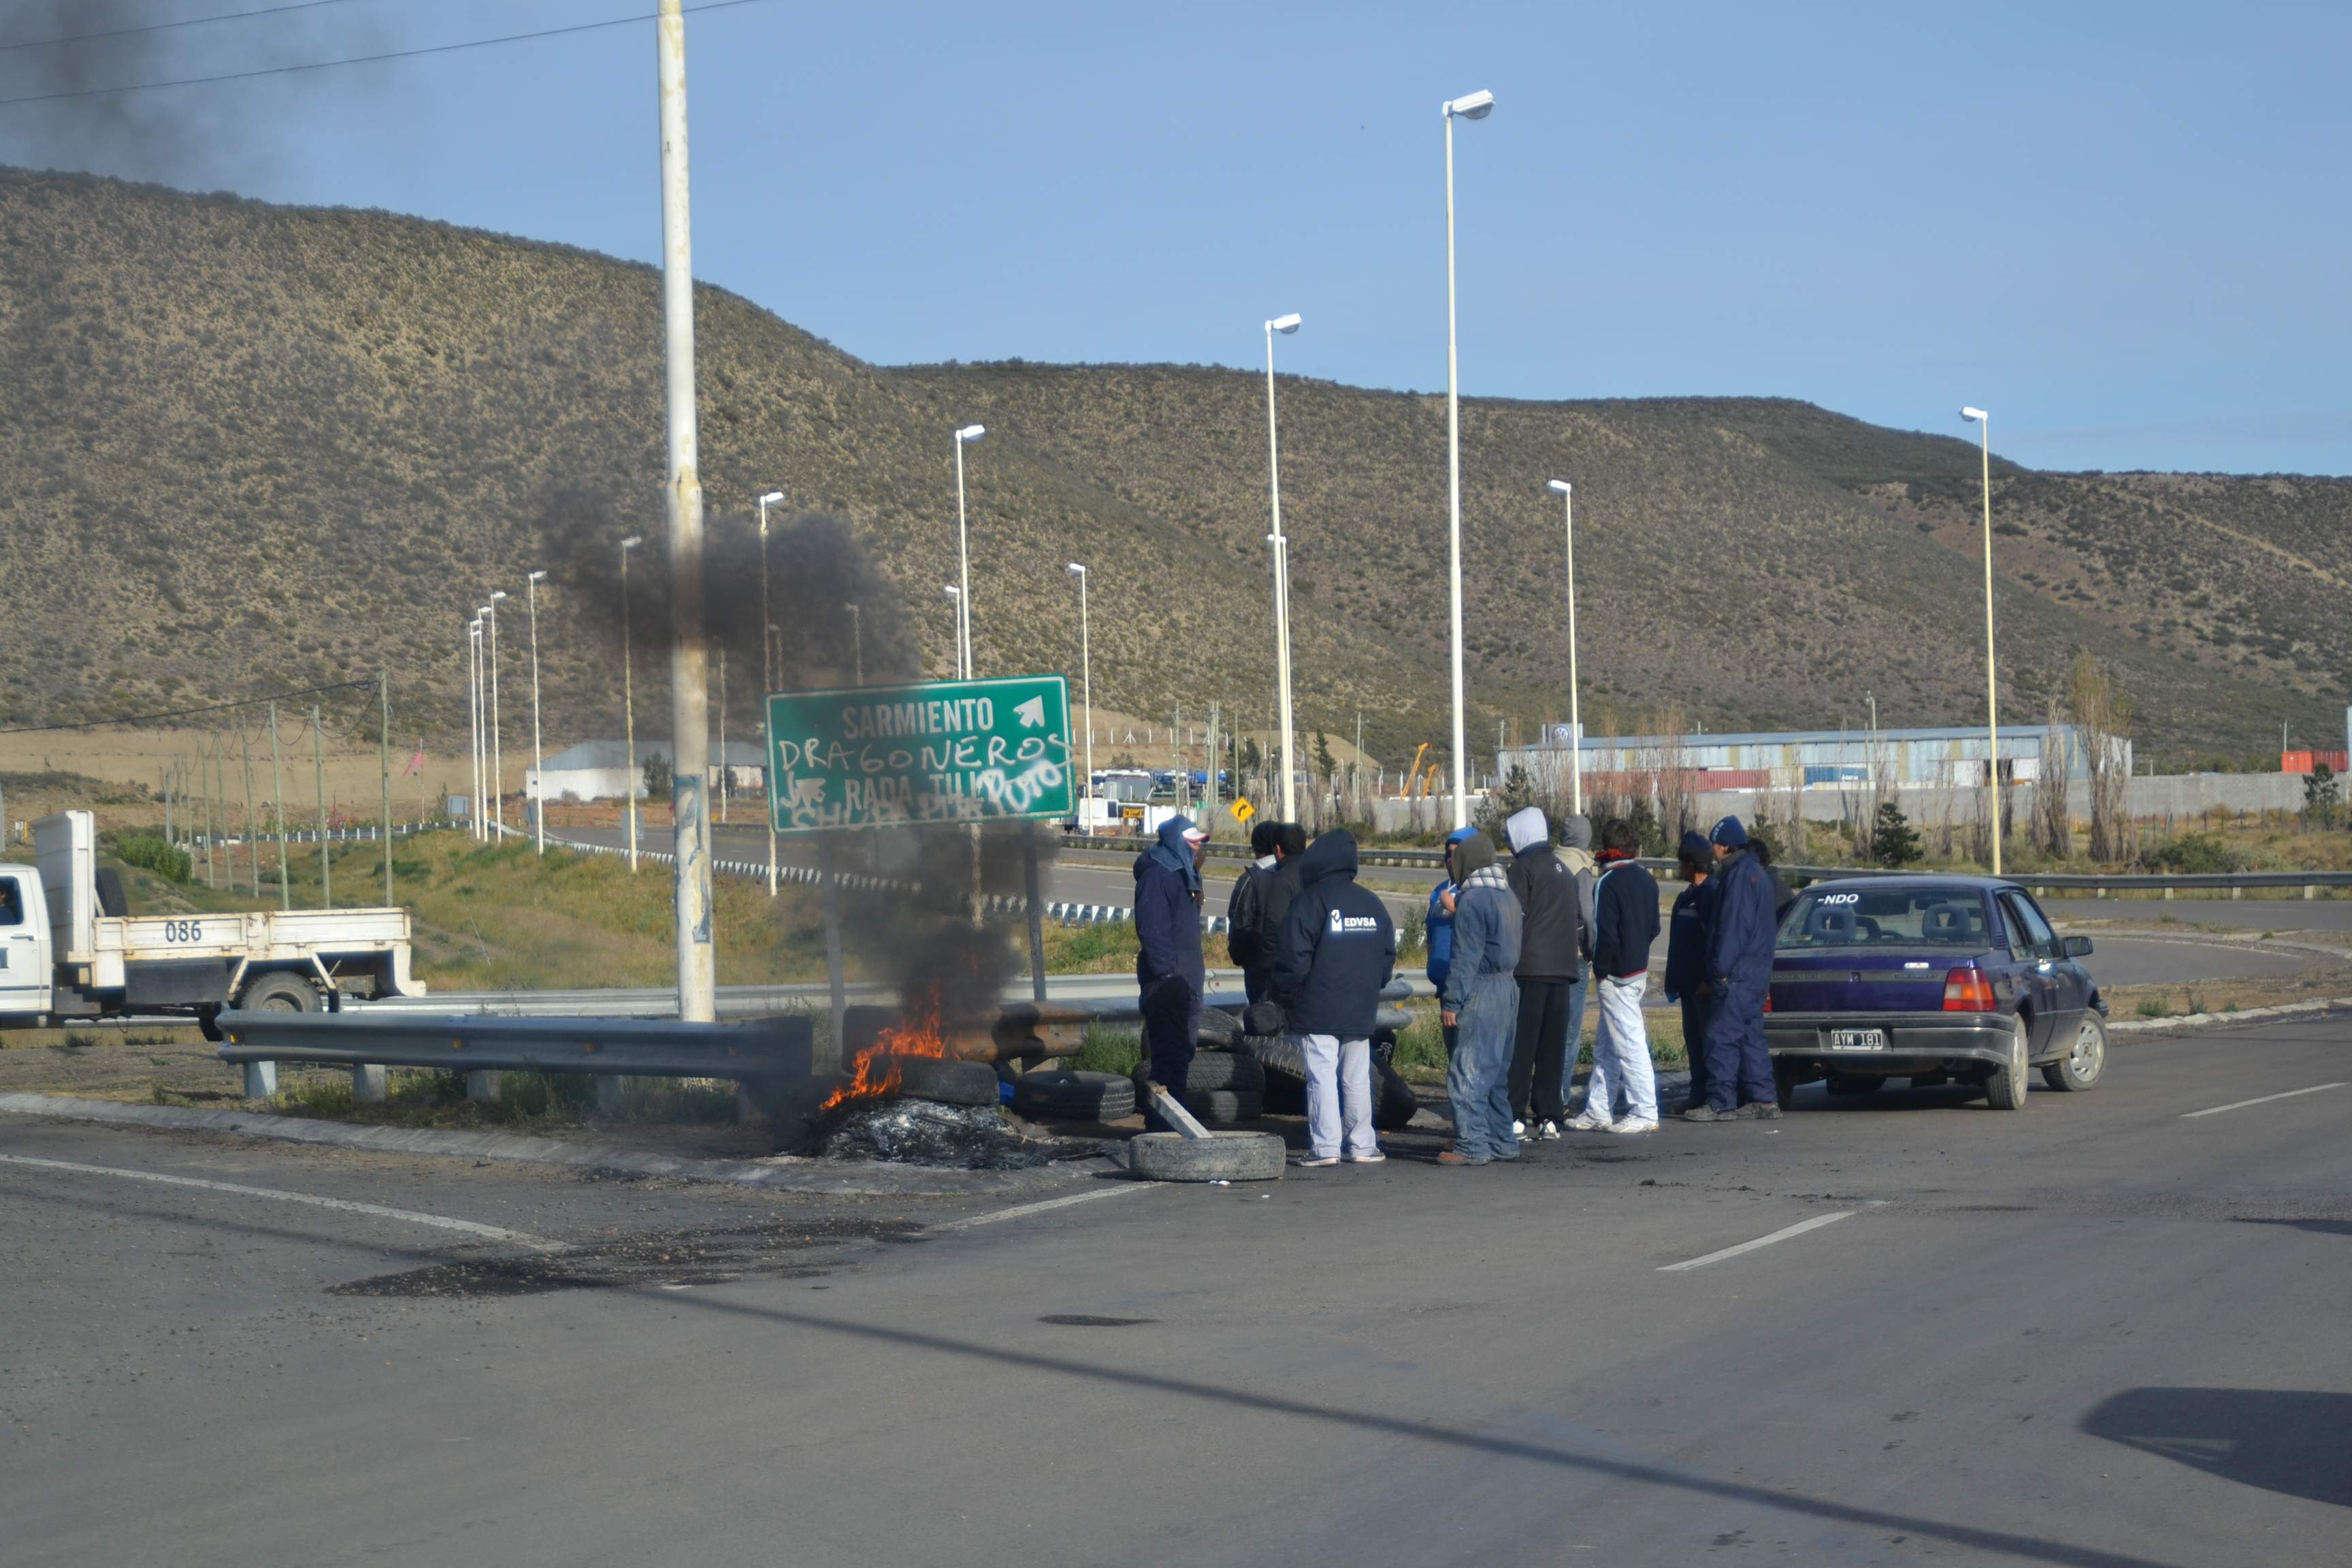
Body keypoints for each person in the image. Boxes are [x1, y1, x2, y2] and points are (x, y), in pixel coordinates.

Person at [1271, 829, 1397, 1168]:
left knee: (1322, 1076)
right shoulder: (1372, 903)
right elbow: (1388, 956)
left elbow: (1294, 959)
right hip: (1360, 1008)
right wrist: (1372, 986)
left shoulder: (1310, 902)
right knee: (1356, 1077)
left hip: (1317, 1007)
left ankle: (1326, 1147)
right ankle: (1362, 1145)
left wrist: (1281, 997)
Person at [1684, 815, 1780, 1122]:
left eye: (1714, 845)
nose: (1712, 851)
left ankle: (1721, 1102)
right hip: (1756, 972)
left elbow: (1733, 929)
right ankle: (1764, 1100)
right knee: (1751, 1035)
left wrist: (1720, 970)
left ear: (1724, 846)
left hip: (1737, 973)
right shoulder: (1755, 873)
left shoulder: (1738, 877)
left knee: (1719, 1035)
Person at [1437, 830, 1522, 1165]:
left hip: (1482, 990)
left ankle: (1471, 1145)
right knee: (1496, 1074)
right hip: (1509, 989)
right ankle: (1503, 1141)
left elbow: (1466, 957)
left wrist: (1452, 1002)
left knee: (1467, 1072)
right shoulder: (1507, 895)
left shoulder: (1472, 900)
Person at [1571, 818, 1662, 1132]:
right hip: (1638, 971)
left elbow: (1604, 934)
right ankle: (1599, 1109)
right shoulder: (1648, 880)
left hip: (1616, 975)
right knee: (1609, 1045)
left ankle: (1645, 1111)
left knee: (1629, 1042)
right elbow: (1654, 928)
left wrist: (1602, 968)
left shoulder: (1607, 884)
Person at [1504, 806, 1585, 1140]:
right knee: (1552, 1047)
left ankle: (1513, 1113)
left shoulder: (1522, 869)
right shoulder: (1564, 871)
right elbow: (1578, 920)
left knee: (1522, 1046)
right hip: (1563, 970)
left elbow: (1512, 917)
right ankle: (1550, 1116)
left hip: (1530, 970)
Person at [1134, 814, 1209, 1126]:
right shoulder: (1158, 875)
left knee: (1182, 1055)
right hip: (1169, 985)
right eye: (1193, 842)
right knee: (1169, 1059)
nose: (1199, 849)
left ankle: (1174, 1126)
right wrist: (1168, 976)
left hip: (1186, 982)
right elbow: (1152, 931)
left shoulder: (1185, 875)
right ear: (1177, 843)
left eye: (1201, 843)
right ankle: (1162, 1129)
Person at [1661, 830, 1719, 1114]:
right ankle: (1697, 1094)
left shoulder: (1711, 894)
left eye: (1682, 863)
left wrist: (1709, 981)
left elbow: (1715, 943)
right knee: (1693, 1044)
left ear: (1693, 865)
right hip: (1686, 987)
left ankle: (1713, 1096)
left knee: (1708, 1044)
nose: (1679, 868)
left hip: (1704, 989)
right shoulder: (1686, 897)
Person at [1424, 826, 1480, 1056]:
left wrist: (1455, 908)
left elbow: (1479, 928)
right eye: (1448, 853)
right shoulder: (1440, 891)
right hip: (1444, 985)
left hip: (1468, 988)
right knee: (1453, 1052)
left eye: (1456, 853)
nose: (1450, 859)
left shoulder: (1478, 890)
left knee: (1467, 1054)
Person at [1226, 819, 1286, 1004]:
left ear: (1256, 847)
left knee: (1263, 1024)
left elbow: (1240, 923)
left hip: (1259, 967)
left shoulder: (1249, 880)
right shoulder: (1296, 875)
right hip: (1292, 965)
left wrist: (1239, 957)